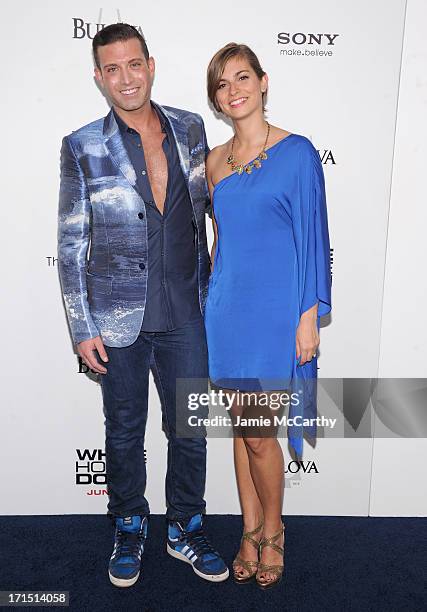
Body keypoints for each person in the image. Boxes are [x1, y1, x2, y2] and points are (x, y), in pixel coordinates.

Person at [57, 23, 228, 587]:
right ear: (99, 77)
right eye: (112, 68)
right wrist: (82, 326)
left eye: (134, 64)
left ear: (150, 65)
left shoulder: (191, 128)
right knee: (125, 432)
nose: (125, 78)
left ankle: (185, 526)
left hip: (185, 313)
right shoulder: (82, 145)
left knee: (190, 430)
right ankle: (129, 524)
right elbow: (71, 242)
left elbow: (209, 214)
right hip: (116, 318)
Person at [204, 43, 332, 589]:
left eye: (241, 78)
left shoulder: (298, 152)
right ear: (216, 98)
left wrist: (308, 317)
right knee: (243, 430)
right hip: (227, 308)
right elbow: (220, 244)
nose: (233, 91)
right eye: (222, 84)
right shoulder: (212, 161)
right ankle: (248, 529)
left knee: (258, 433)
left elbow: (313, 234)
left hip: (277, 312)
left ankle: (273, 532)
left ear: (263, 81)